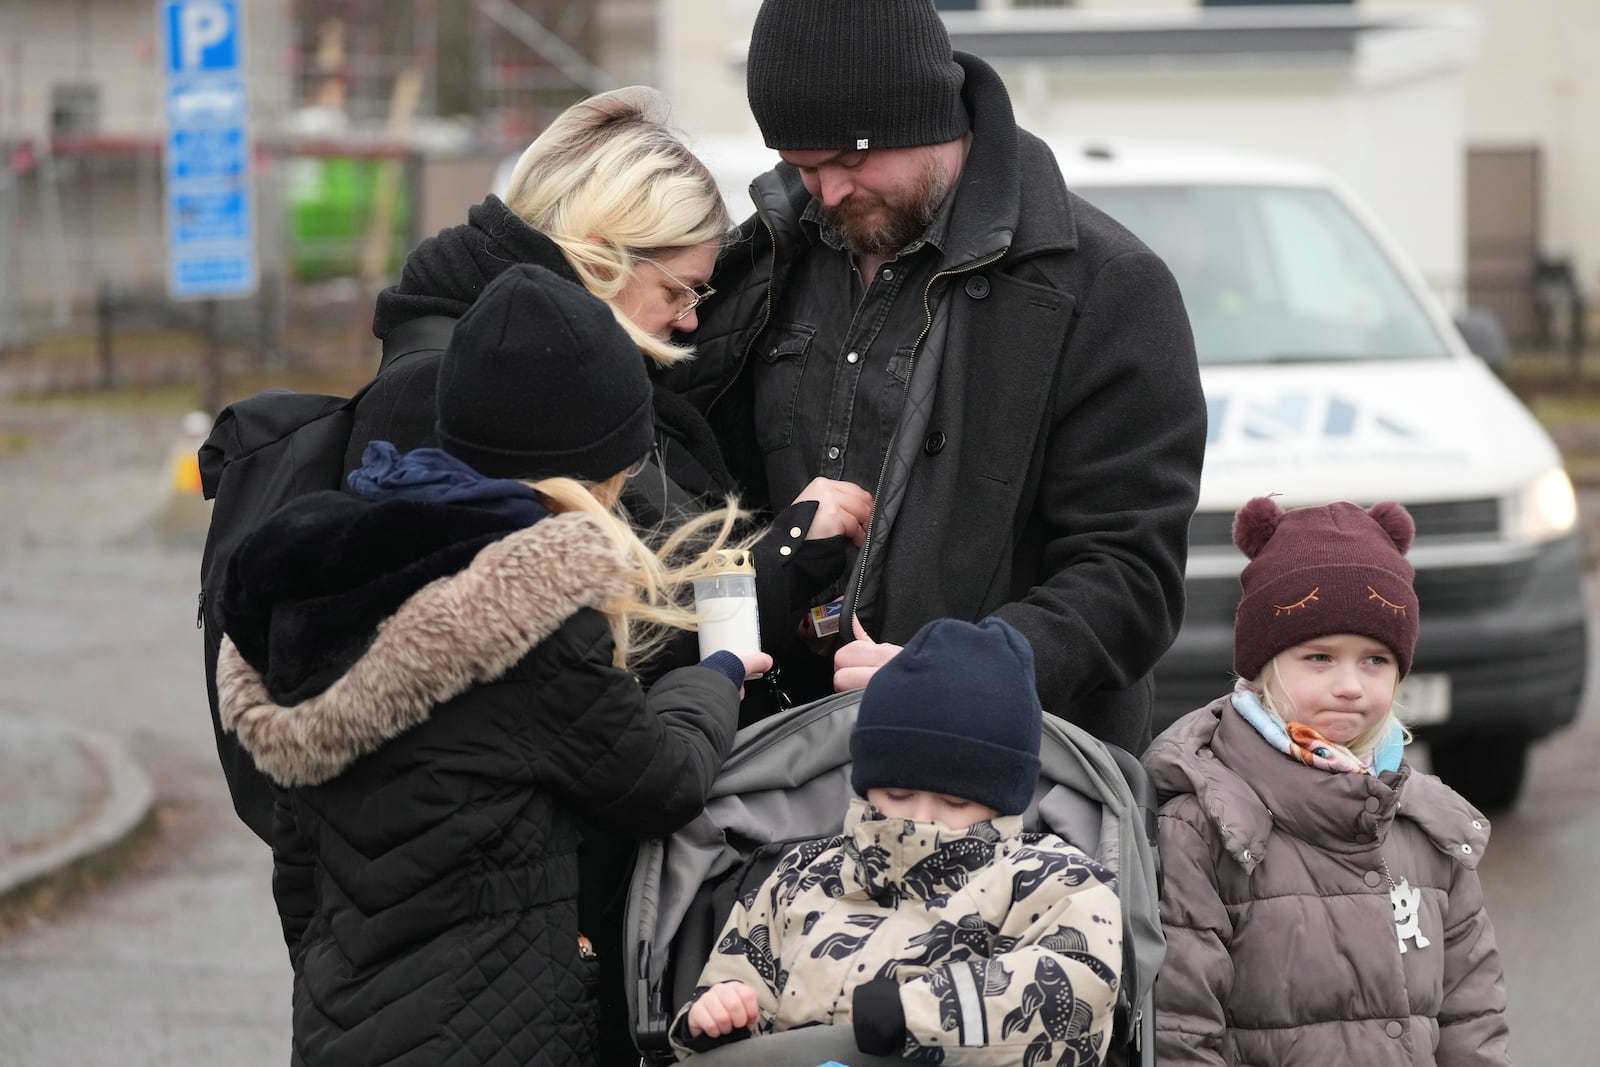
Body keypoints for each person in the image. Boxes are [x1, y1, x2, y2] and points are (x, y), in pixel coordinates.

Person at [213, 264, 772, 1067]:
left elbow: (296, 868)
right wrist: (715, 673)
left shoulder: (324, 586)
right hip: (496, 1036)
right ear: (595, 464)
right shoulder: (529, 618)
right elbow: (657, 780)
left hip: (341, 1024)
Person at [672, 0, 1207, 753]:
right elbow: (697, 501)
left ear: (926, 115)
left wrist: (960, 675)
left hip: (1010, 782)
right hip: (779, 775)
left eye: (851, 162)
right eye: (802, 166)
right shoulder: (765, 261)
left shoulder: (1109, 287)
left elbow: (1130, 576)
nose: (826, 193)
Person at [1141, 496, 1513, 1066]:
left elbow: (1472, 1016)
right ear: (1263, 668)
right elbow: (1182, 1030)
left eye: (1375, 661)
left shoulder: (1432, 827)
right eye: (1319, 657)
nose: (1350, 685)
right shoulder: (1207, 825)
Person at [668, 616, 1124, 1065]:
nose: (921, 819)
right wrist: (719, 1015)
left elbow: (1074, 986)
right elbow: (742, 974)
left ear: (1003, 801)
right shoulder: (802, 874)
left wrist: (911, 1015)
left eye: (955, 803)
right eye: (898, 794)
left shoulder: (1051, 880)